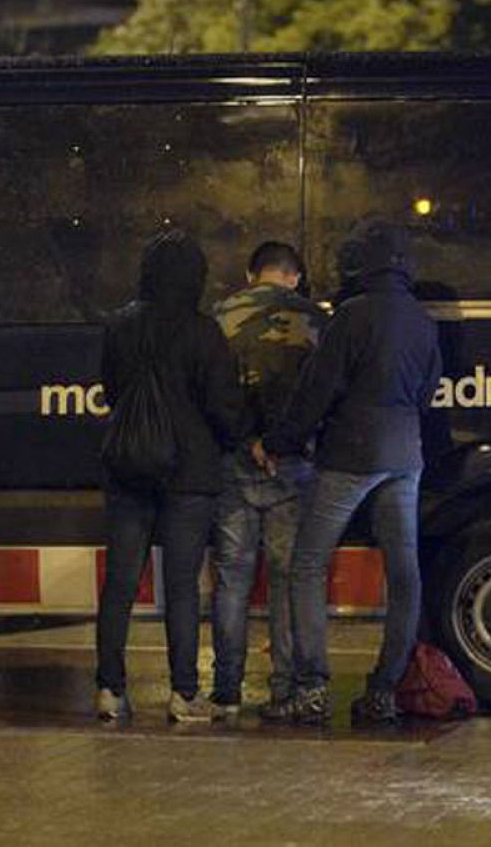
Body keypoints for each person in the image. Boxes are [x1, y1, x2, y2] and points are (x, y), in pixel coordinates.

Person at [259, 220, 442, 725]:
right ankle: (384, 690)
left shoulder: (350, 316)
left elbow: (317, 390)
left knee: (308, 564)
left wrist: (282, 441)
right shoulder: (423, 321)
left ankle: (312, 686)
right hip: (406, 457)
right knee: (404, 574)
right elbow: (428, 393)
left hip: (351, 456)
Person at [95, 230, 244, 723]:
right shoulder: (205, 333)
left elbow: (113, 390)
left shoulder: (119, 326)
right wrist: (234, 439)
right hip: (190, 473)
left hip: (129, 467)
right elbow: (223, 407)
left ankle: (109, 689)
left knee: (119, 583)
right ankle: (183, 693)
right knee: (181, 585)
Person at [209, 241, 327, 720]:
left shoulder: (218, 317)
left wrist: (248, 440)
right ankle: (284, 688)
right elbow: (321, 392)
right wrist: (282, 442)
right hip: (293, 467)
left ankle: (228, 690)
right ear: (294, 276)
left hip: (235, 464)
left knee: (232, 580)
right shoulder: (315, 319)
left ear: (250, 272)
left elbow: (212, 391)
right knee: (287, 581)